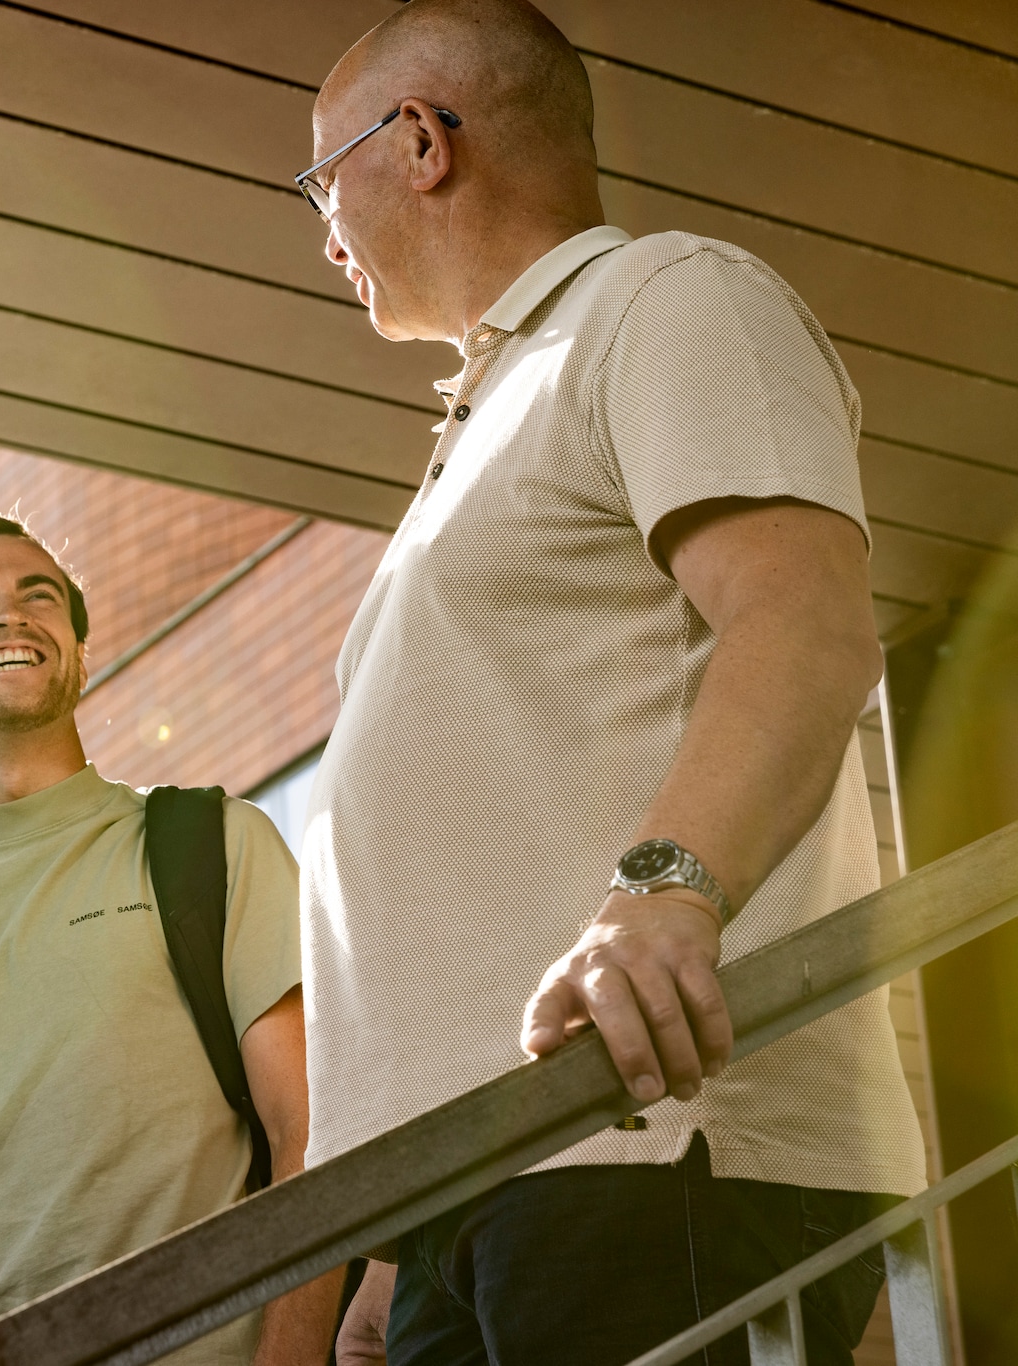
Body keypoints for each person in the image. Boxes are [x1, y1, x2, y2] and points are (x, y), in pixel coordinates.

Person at [292, 2, 925, 1362]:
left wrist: (664, 893)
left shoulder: (667, 297)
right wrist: (404, 1231)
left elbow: (802, 626)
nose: (319, 222)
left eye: (319, 172)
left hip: (648, 1138)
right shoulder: (498, 400)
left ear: (417, 142)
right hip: (483, 1180)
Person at [0, 512, 344, 1366]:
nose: (11, 614)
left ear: (79, 653)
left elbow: (309, 1134)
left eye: (39, 595)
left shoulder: (211, 844)